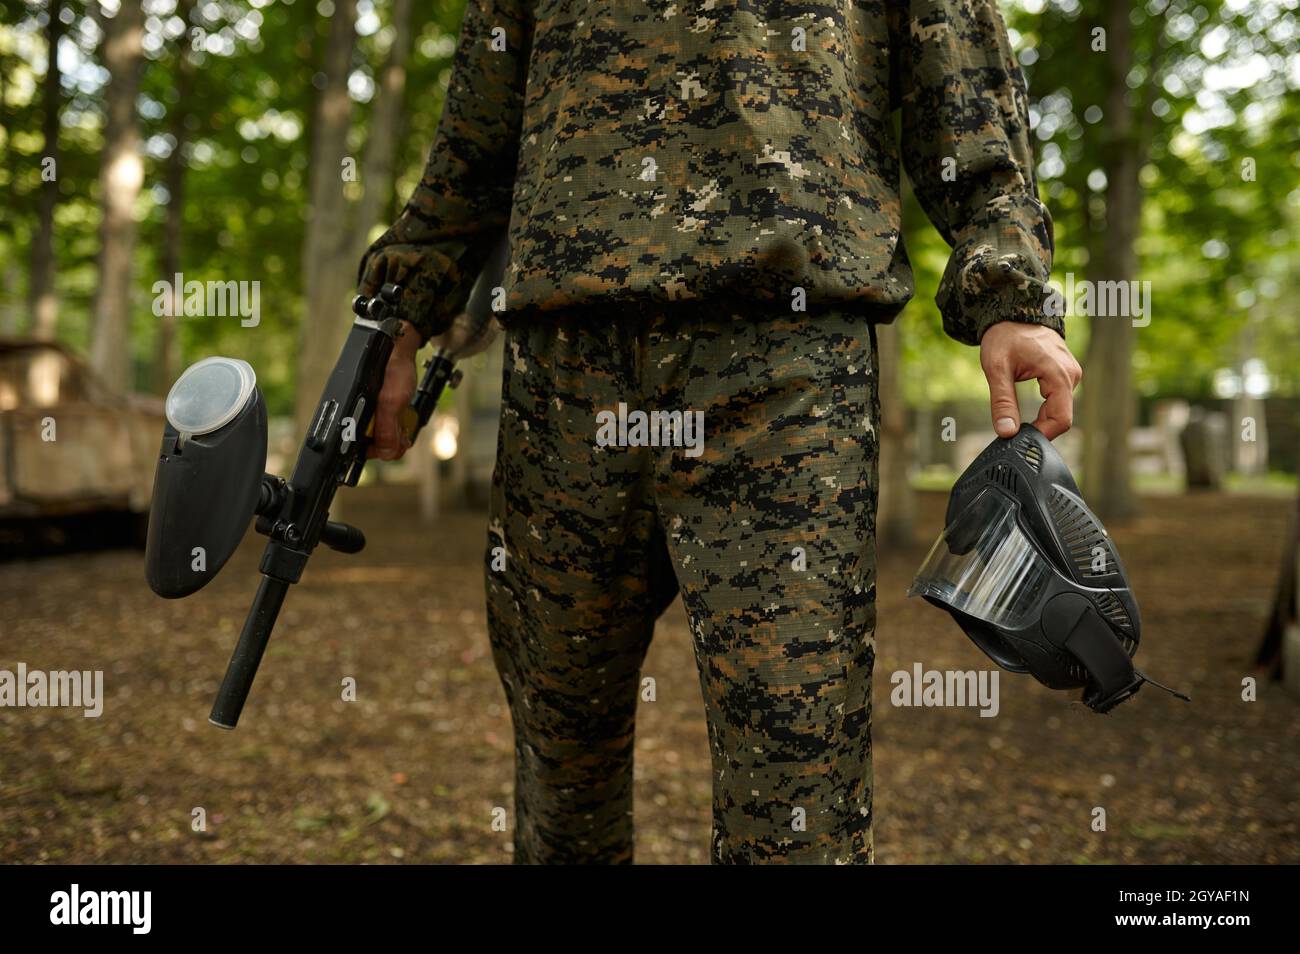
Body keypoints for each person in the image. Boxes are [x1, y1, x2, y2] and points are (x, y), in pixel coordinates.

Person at [356, 0, 1082, 864]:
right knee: (558, 765)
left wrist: (1008, 293)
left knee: (798, 779)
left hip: (784, 371)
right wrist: (396, 318)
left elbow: (967, 99)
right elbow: (473, 146)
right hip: (566, 372)